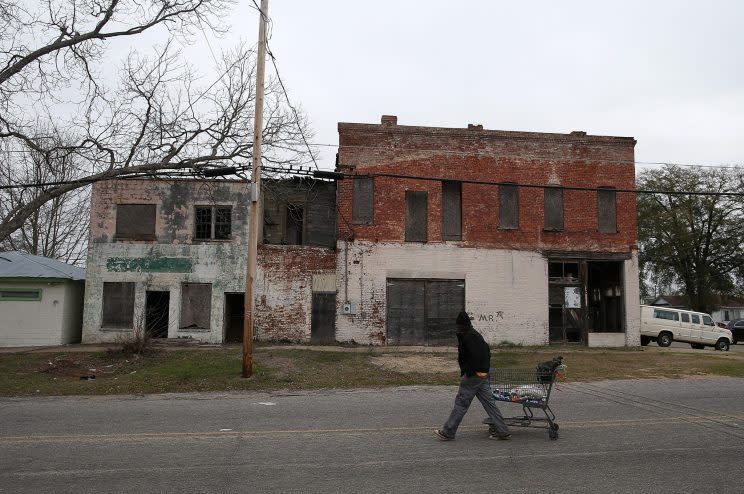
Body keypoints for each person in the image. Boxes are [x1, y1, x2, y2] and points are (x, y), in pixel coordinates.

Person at [435, 311, 511, 441]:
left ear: (462, 325)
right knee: (489, 404)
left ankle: (448, 431)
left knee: (461, 403)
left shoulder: (469, 337)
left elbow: (475, 357)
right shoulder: (475, 335)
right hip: (482, 375)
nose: (457, 328)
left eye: (458, 325)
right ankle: (502, 431)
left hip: (474, 376)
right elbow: (487, 351)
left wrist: (469, 372)